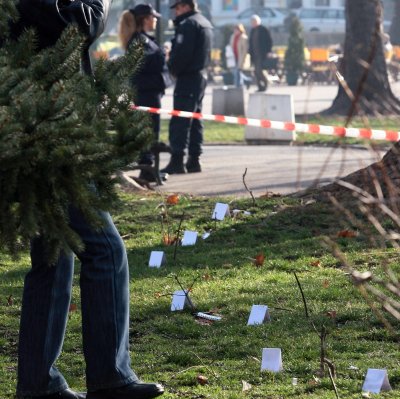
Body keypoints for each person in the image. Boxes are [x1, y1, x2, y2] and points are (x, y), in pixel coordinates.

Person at [6, 1, 165, 399]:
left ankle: (37, 384)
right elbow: (82, 20)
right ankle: (110, 377)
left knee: (53, 257)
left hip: (34, 122)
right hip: (49, 127)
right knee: (104, 250)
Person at [118, 4, 170, 183]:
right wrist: (162, 55)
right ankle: (147, 169)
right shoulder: (139, 40)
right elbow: (144, 64)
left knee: (151, 130)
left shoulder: (143, 39)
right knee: (148, 130)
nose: (155, 20)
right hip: (146, 92)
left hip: (149, 90)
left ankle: (149, 168)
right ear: (144, 19)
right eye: (152, 17)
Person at [160, 0, 212, 175]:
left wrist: (172, 68)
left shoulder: (188, 24)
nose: (175, 12)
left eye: (177, 8)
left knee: (180, 120)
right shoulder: (204, 22)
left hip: (188, 77)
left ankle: (177, 161)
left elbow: (182, 54)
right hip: (201, 76)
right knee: (196, 119)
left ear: (185, 7)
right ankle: (194, 159)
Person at [249, 14, 273, 92]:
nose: (253, 23)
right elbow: (251, 42)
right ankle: (260, 86)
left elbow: (269, 41)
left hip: (262, 54)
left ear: (258, 21)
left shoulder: (263, 29)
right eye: (252, 22)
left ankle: (265, 83)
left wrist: (269, 51)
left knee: (259, 71)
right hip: (254, 54)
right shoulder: (252, 31)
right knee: (255, 72)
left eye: (254, 21)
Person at [229, 24, 252, 88]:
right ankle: (247, 80)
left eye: (237, 30)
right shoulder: (232, 37)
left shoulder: (243, 37)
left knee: (237, 73)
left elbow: (245, 50)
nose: (235, 31)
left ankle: (238, 87)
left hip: (240, 57)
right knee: (236, 72)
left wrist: (242, 60)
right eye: (235, 30)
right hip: (233, 57)